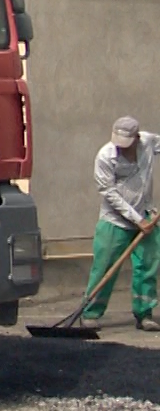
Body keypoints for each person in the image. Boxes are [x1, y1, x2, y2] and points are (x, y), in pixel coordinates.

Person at [81, 116, 160, 331]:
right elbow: (109, 193)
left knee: (148, 267)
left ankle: (145, 314)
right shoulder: (105, 156)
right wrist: (137, 219)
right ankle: (90, 313)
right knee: (104, 267)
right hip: (114, 221)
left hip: (147, 216)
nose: (122, 147)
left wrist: (144, 219)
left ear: (137, 137)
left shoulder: (149, 142)